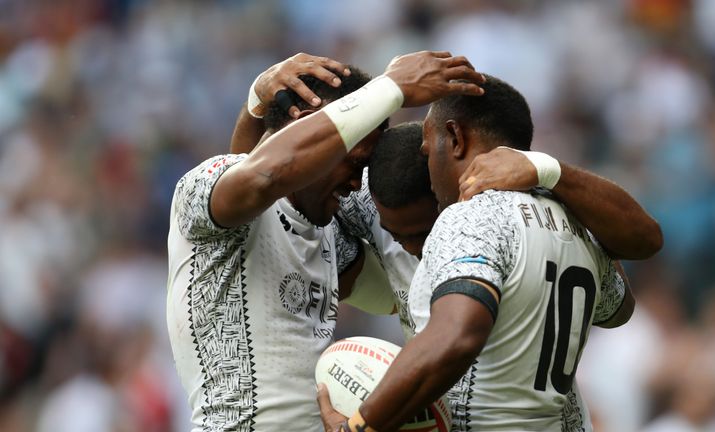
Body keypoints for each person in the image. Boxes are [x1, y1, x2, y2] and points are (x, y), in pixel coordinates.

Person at [166, 51, 486, 431]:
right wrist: (392, 88)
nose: (356, 185)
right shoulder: (202, 189)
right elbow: (263, 173)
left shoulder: (328, 236)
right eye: (354, 162)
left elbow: (402, 297)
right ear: (302, 125)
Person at [319, 74, 642, 431]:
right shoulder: (565, 215)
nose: (414, 249)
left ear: (455, 140)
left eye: (423, 232)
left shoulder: (467, 216)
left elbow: (457, 336)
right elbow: (619, 305)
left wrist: (361, 427)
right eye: (396, 236)